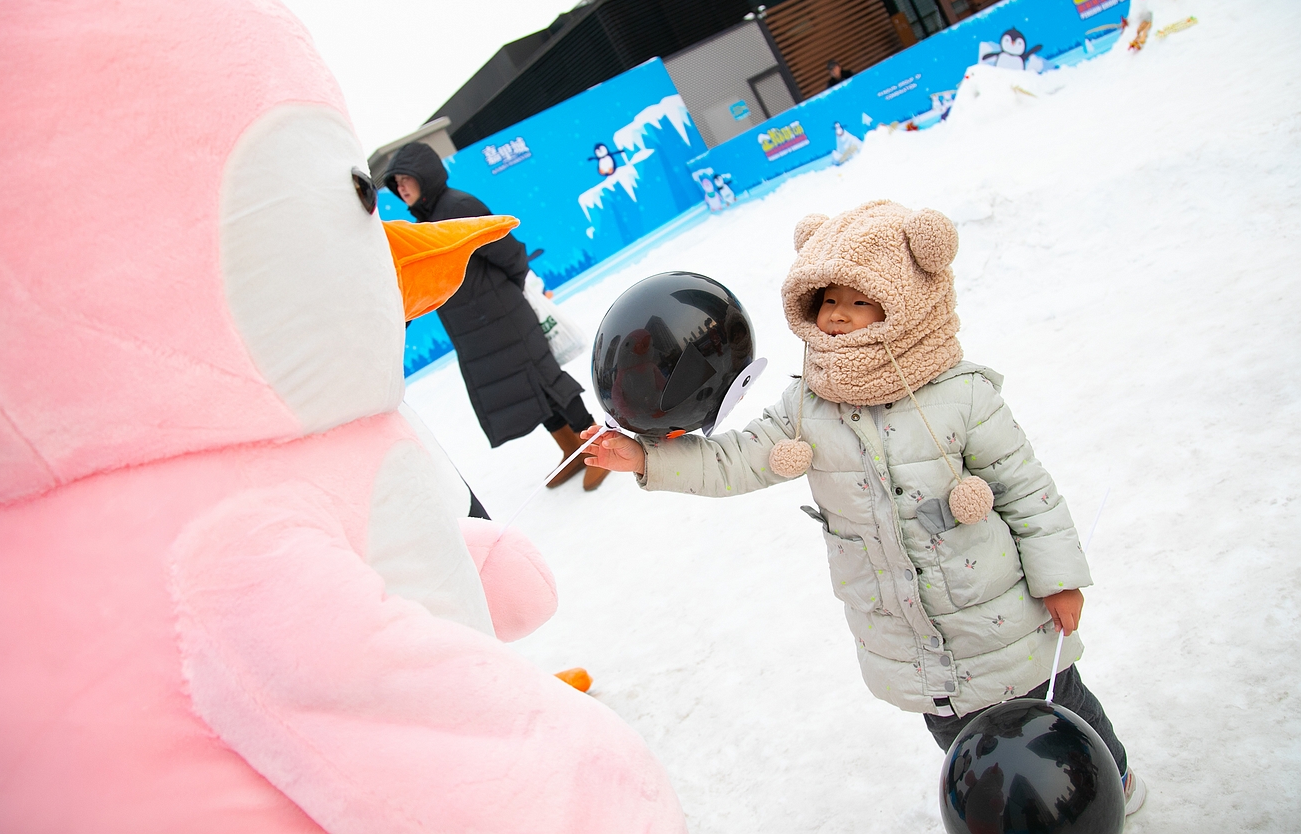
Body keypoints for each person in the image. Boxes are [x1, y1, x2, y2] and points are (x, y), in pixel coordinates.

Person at [582, 200, 1145, 815]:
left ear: (906, 303)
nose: (839, 316)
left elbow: (1025, 488)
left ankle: (1108, 786)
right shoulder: (807, 409)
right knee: (961, 744)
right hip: (904, 636)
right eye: (828, 301)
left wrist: (1060, 577)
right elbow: (735, 460)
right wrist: (644, 460)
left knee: (1059, 714)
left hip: (1002, 616)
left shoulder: (961, 395)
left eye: (861, 300)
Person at [383, 141, 607, 491]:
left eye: (405, 179)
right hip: (477, 331)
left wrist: (509, 294)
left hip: (505, 318)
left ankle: (597, 447)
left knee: (546, 380)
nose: (401, 188)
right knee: (526, 389)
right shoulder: (425, 223)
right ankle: (571, 449)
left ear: (423, 175)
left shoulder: (457, 205)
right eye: (395, 184)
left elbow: (507, 250)